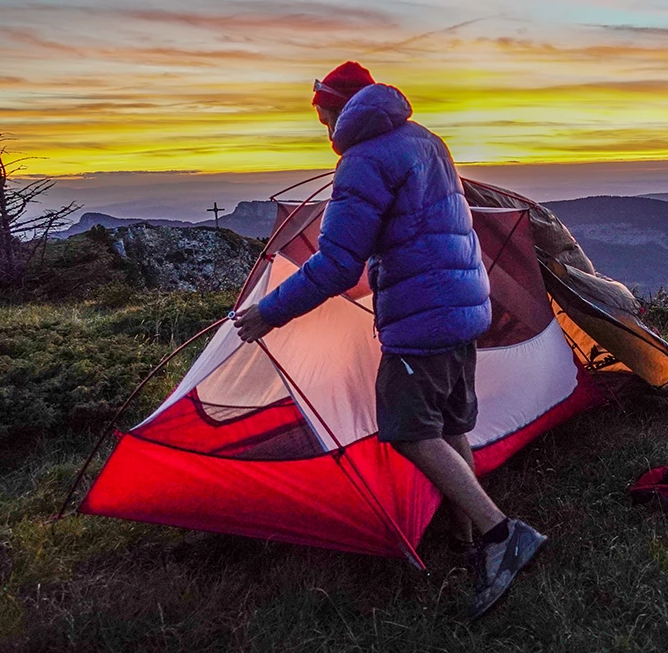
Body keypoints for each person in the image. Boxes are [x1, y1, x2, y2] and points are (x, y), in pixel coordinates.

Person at [233, 62, 544, 618]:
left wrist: (268, 312)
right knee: (448, 425)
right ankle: (467, 538)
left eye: (322, 112)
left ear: (339, 109)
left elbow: (335, 265)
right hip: (463, 305)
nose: (322, 125)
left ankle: (502, 536)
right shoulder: (424, 140)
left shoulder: (364, 160)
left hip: (423, 317)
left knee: (406, 430)